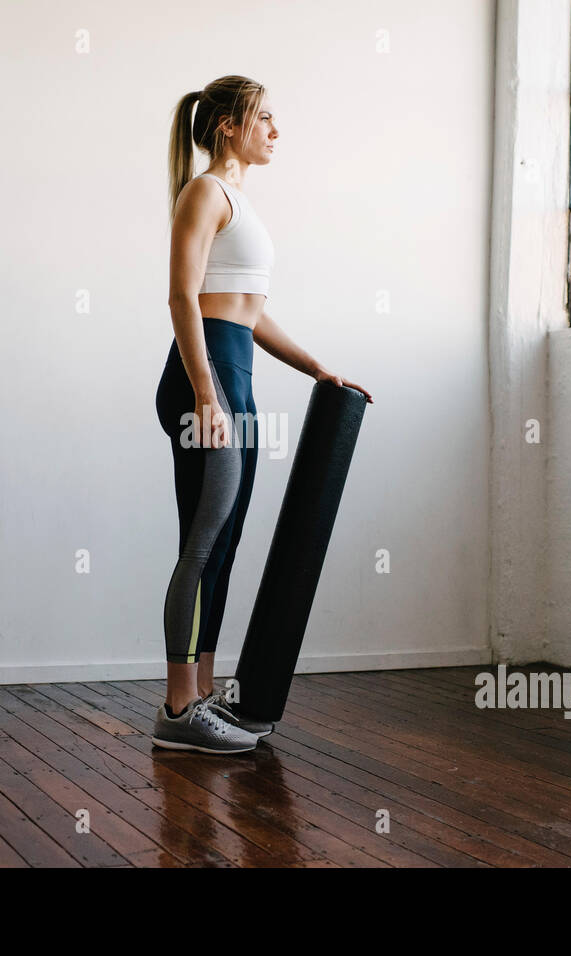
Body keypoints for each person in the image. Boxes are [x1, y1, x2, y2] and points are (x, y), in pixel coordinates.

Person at [152, 75, 374, 753]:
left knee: (226, 545)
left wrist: (314, 366)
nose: (276, 130)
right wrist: (206, 395)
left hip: (234, 371)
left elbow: (248, 311)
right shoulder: (205, 192)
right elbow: (182, 298)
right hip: (208, 376)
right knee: (203, 542)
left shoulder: (239, 203)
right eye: (265, 118)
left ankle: (206, 695)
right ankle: (176, 705)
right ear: (228, 126)